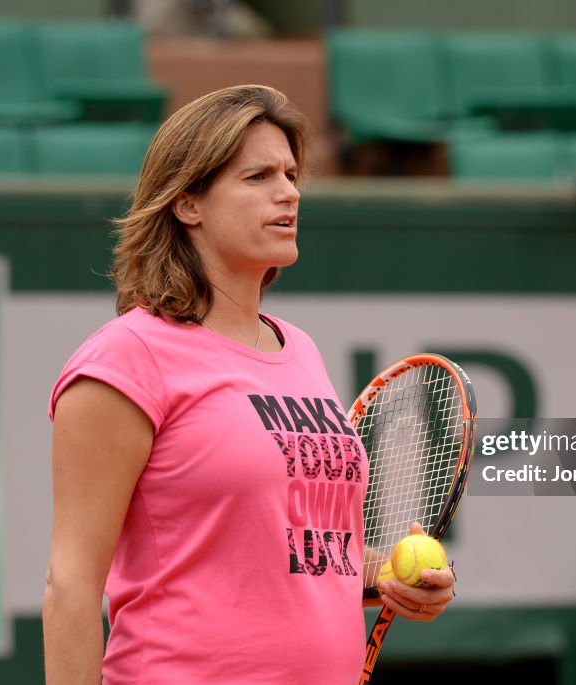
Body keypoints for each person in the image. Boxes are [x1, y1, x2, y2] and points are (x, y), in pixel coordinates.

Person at [42, 84, 456, 684]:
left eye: (290, 174)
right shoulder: (125, 359)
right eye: (257, 176)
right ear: (188, 203)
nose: (288, 192)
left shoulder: (301, 351)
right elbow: (70, 584)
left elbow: (296, 555)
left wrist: (387, 578)